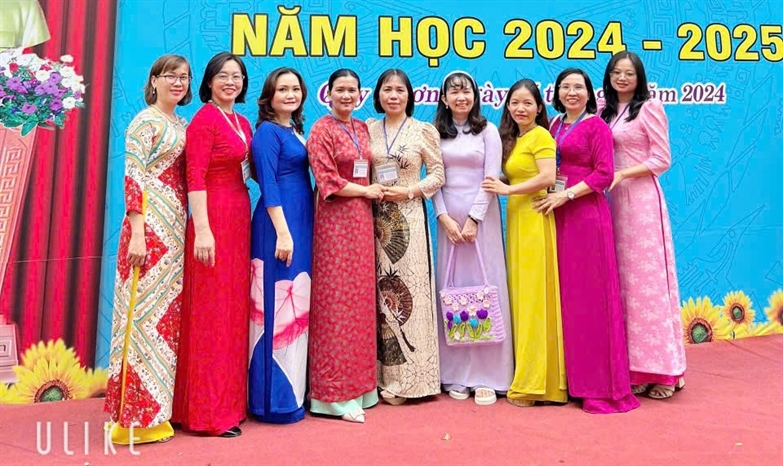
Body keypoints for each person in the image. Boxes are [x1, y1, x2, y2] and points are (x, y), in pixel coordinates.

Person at [533, 68, 639, 414]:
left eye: (578, 86)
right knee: (567, 300)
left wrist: (567, 195)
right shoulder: (553, 125)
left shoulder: (596, 126)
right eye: (565, 86)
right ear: (556, 93)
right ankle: (571, 381)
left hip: (587, 217)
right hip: (558, 216)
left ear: (590, 93)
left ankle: (600, 386)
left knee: (592, 300)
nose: (571, 92)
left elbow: (604, 173)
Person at [104, 54, 192, 444]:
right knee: (140, 319)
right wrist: (138, 231)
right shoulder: (144, 121)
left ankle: (158, 412)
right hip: (148, 229)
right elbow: (133, 176)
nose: (178, 82)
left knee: (164, 320)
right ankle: (131, 418)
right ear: (154, 80)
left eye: (184, 77)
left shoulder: (181, 124)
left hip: (175, 230)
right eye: (170, 75)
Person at [172, 52, 253, 437]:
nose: (230, 82)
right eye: (223, 76)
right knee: (212, 312)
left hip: (238, 216)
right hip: (214, 217)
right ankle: (207, 413)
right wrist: (202, 229)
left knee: (233, 311)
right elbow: (195, 175)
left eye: (237, 76)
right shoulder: (205, 119)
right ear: (208, 82)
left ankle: (230, 403)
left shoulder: (241, 121)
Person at [601, 51, 686, 399]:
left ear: (639, 78)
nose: (622, 78)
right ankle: (636, 368)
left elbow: (661, 158)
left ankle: (664, 371)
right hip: (611, 203)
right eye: (616, 72)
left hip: (641, 203)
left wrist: (623, 173)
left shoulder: (649, 108)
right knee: (623, 287)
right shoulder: (604, 111)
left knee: (647, 286)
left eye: (629, 73)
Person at [482, 78, 568, 406]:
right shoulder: (515, 138)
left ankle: (538, 384)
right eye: (515, 103)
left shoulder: (541, 135)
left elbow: (547, 177)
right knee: (521, 298)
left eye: (527, 103)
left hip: (534, 219)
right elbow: (518, 174)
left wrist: (508, 190)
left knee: (534, 300)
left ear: (539, 107)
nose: (521, 108)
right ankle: (530, 373)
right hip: (518, 221)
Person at [306, 69, 384, 423]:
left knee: (360, 303)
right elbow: (327, 180)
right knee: (335, 303)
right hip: (334, 221)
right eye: (341, 90)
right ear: (329, 94)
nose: (347, 95)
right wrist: (366, 191)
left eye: (353, 90)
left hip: (362, 220)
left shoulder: (362, 128)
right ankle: (333, 395)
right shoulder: (321, 129)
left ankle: (362, 387)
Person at [432, 71, 514, 405]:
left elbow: (491, 178)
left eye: (466, 91)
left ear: (475, 96)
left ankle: (488, 375)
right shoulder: (436, 133)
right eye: (454, 92)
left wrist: (474, 219)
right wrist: (443, 217)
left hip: (482, 221)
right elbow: (434, 178)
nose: (460, 97)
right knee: (453, 291)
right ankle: (456, 373)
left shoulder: (488, 131)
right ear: (443, 98)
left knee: (486, 286)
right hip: (448, 222)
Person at [367, 69, 445, 405]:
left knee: (410, 292)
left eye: (400, 90)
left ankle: (414, 380)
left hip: (409, 217)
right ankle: (382, 377)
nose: (393, 96)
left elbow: (438, 174)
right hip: (374, 220)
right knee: (379, 296)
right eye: (387, 89)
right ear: (378, 95)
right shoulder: (368, 128)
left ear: (409, 95)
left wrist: (410, 191)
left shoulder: (422, 130)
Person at [248, 67, 313, 423]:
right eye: (282, 89)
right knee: (275, 308)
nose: (290, 95)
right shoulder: (267, 132)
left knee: (296, 307)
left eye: (295, 89)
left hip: (300, 221)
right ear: (269, 96)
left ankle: (294, 395)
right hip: (278, 225)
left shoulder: (295, 130)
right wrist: (283, 233)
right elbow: (268, 184)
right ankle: (271, 402)